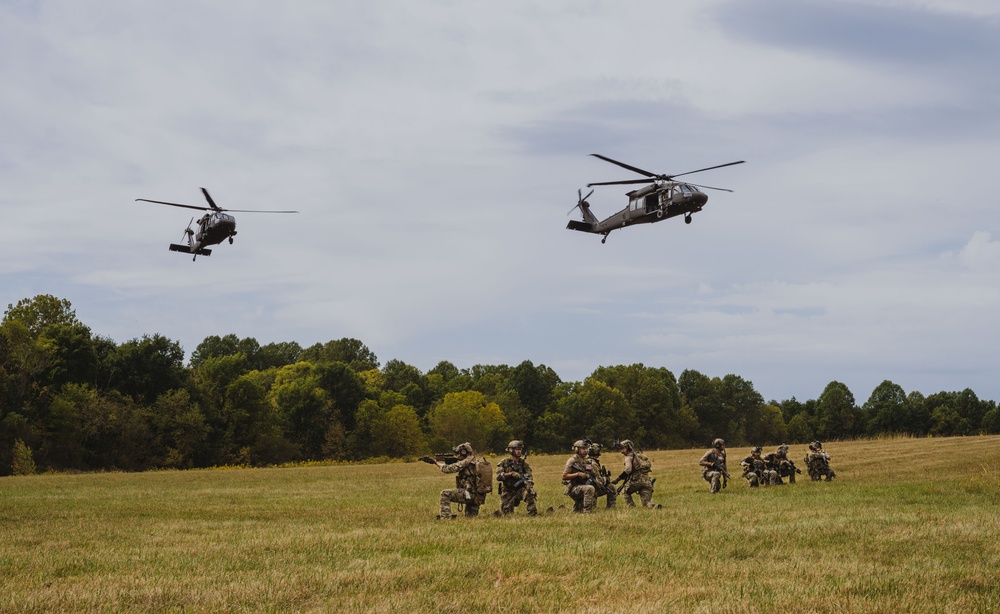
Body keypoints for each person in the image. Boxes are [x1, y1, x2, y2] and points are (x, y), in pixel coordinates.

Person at [434, 442, 487, 519]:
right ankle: (495, 515)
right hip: (478, 496)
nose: (458, 456)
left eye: (459, 453)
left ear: (464, 452)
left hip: (470, 494)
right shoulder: (476, 461)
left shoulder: (466, 462)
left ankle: (445, 518)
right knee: (471, 518)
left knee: (445, 493)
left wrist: (436, 463)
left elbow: (447, 469)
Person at [495, 440, 538, 516]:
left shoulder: (523, 463)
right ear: (511, 450)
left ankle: (533, 513)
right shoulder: (504, 462)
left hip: (520, 490)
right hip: (508, 491)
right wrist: (511, 474)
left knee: (529, 492)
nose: (519, 451)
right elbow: (498, 476)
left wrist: (529, 483)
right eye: (517, 449)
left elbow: (529, 475)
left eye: (520, 449)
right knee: (507, 514)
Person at [612, 439, 657, 508]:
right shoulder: (639, 455)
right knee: (646, 503)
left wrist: (617, 479)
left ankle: (631, 507)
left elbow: (628, 470)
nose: (621, 451)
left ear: (628, 447)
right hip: (647, 482)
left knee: (625, 491)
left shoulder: (628, 457)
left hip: (636, 481)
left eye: (622, 449)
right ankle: (654, 506)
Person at [562, 440, 597, 513]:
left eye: (586, 448)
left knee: (577, 510)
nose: (585, 451)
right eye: (583, 449)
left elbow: (590, 472)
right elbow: (564, 476)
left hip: (582, 486)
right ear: (577, 449)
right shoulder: (572, 461)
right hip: (574, 487)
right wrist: (577, 474)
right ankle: (587, 512)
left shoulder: (586, 461)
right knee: (589, 488)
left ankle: (578, 508)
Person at [588, 442, 617, 509]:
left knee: (611, 487)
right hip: (593, 488)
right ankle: (611, 508)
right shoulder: (593, 463)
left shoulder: (589, 461)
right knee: (612, 487)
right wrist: (606, 479)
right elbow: (600, 481)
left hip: (591, 487)